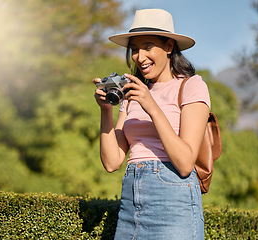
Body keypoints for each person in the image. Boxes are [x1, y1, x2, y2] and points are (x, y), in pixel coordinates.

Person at [93, 8, 210, 240]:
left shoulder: (191, 86)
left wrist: (151, 105)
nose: (139, 56)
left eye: (148, 47)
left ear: (168, 46)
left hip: (173, 205)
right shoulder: (132, 93)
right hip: (130, 205)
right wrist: (106, 110)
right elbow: (111, 161)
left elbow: (186, 163)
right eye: (135, 50)